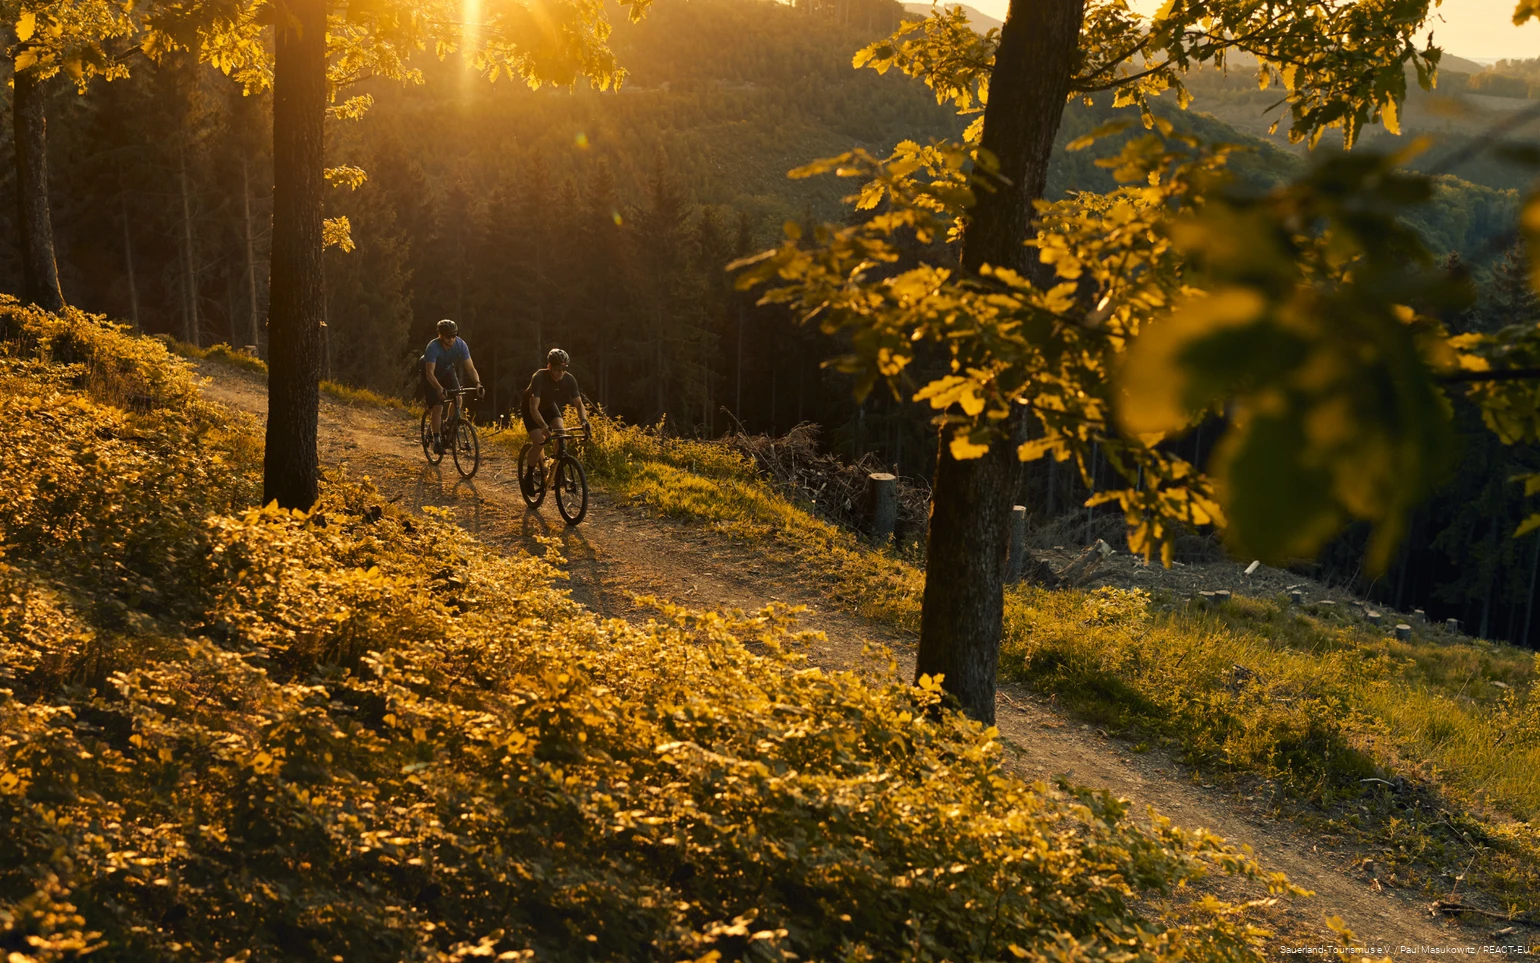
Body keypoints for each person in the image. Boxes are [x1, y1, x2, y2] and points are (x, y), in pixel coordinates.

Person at [522, 347, 589, 477]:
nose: (560, 373)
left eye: (563, 369)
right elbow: (533, 408)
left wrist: (584, 421)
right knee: (540, 441)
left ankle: (557, 469)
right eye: (557, 369)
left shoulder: (569, 379)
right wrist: (543, 426)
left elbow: (579, 405)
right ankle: (529, 475)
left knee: (560, 431)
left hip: (548, 407)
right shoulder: (539, 377)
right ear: (549, 366)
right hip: (531, 410)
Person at [420, 319, 482, 453]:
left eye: (454, 336)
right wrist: (438, 388)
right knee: (438, 407)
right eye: (449, 336)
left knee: (458, 399)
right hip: (431, 374)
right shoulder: (433, 347)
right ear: (440, 335)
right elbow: (430, 373)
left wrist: (477, 383)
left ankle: (447, 424)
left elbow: (471, 368)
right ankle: (436, 441)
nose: (452, 339)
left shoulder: (460, 345)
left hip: (447, 370)